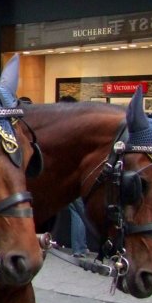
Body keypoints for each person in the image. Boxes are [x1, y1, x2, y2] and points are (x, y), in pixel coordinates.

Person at [58, 95, 88, 257]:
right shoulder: (75, 129)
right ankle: (80, 248)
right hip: (74, 177)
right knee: (79, 212)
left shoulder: (61, 128)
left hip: (63, 177)